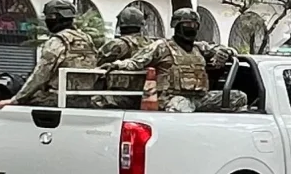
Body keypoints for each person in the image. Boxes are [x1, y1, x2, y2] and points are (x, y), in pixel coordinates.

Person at [103, 8, 246, 113]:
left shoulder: (200, 48)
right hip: (171, 99)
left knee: (238, 97)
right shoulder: (161, 46)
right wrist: (116, 64)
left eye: (194, 25)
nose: (191, 28)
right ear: (177, 26)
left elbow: (228, 50)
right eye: (187, 25)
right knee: (181, 105)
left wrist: (226, 52)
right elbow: (136, 62)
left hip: (200, 99)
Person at [0, 0, 100, 109]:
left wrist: (15, 99)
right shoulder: (86, 39)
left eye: (47, 18)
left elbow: (40, 75)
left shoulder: (57, 41)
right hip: (83, 99)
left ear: (54, 18)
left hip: (56, 98)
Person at [97, 7, 156, 107]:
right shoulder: (150, 44)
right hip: (145, 94)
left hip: (117, 96)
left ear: (120, 24)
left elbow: (98, 65)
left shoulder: (116, 44)